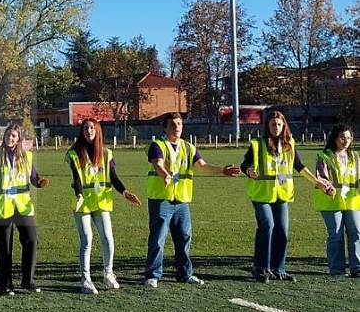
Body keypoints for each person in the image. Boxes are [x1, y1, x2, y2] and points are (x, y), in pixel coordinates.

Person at [144, 112, 240, 288]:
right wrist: (165, 175)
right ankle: (153, 275)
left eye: (179, 123)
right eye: (172, 124)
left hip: (182, 201)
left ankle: (185, 274)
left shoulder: (188, 147)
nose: (177, 127)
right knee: (158, 239)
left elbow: (202, 166)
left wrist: (221, 170)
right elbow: (157, 163)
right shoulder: (157, 145)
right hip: (161, 200)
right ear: (164, 128)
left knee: (184, 238)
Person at [242, 111, 334, 282]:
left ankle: (278, 269)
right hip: (261, 194)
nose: (276, 128)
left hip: (282, 194)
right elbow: (244, 164)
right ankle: (260, 268)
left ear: (284, 125)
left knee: (282, 231)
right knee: (267, 226)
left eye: (279, 124)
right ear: (267, 126)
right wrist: (249, 171)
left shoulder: (289, 144)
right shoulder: (258, 144)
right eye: (273, 124)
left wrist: (318, 183)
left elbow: (299, 166)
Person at [65, 118, 142, 295]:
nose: (89, 131)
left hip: (101, 202)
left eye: (92, 128)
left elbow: (113, 176)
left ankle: (108, 274)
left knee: (108, 238)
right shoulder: (74, 154)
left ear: (98, 131)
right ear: (82, 131)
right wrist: (78, 195)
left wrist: (125, 192)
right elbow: (77, 178)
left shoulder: (106, 154)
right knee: (87, 240)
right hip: (82, 203)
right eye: (86, 128)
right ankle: (86, 280)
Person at [0, 123, 49, 296]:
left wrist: (39, 182)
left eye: (14, 136)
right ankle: (5, 284)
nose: (10, 138)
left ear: (18, 139)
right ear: (4, 137)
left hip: (22, 205)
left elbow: (33, 177)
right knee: (5, 246)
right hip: (1, 205)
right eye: (8, 135)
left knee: (31, 240)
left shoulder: (26, 157)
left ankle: (27, 280)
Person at [314, 124, 359, 277]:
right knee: (336, 235)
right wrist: (328, 187)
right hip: (331, 201)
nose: (345, 141)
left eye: (348, 138)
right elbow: (321, 175)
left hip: (352, 201)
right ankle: (337, 269)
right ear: (334, 138)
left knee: (356, 232)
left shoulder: (355, 157)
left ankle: (357, 267)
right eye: (342, 137)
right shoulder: (325, 156)